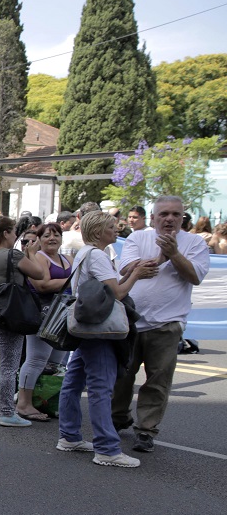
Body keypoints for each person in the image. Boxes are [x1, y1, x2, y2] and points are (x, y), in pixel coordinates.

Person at [111, 196, 210, 453]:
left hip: (167, 324)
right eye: (163, 214)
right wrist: (160, 257)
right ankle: (117, 417)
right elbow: (126, 268)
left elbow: (195, 276)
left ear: (182, 218)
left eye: (175, 214)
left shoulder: (195, 243)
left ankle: (146, 430)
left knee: (157, 381)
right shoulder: (138, 238)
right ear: (153, 218)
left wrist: (174, 254)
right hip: (131, 321)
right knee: (122, 375)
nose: (169, 219)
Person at [57, 212, 156, 467]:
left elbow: (107, 287)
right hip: (99, 330)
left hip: (84, 327)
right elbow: (118, 294)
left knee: (73, 380)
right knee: (101, 388)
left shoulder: (85, 253)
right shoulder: (99, 255)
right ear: (99, 231)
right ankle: (107, 449)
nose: (117, 230)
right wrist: (137, 275)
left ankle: (69, 436)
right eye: (112, 227)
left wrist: (130, 271)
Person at [0, 215, 48, 427]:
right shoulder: (13, 255)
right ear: (5, 234)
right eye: (14, 231)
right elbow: (40, 274)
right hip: (7, 318)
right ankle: (6, 412)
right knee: (8, 367)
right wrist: (32, 254)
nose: (16, 235)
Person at [13, 222, 72, 420]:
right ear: (39, 239)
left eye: (56, 235)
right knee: (37, 359)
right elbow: (43, 285)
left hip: (63, 317)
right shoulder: (39, 257)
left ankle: (42, 401)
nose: (52, 239)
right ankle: (23, 403)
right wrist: (72, 280)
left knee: (55, 363)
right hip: (42, 315)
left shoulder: (67, 258)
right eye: (46, 235)